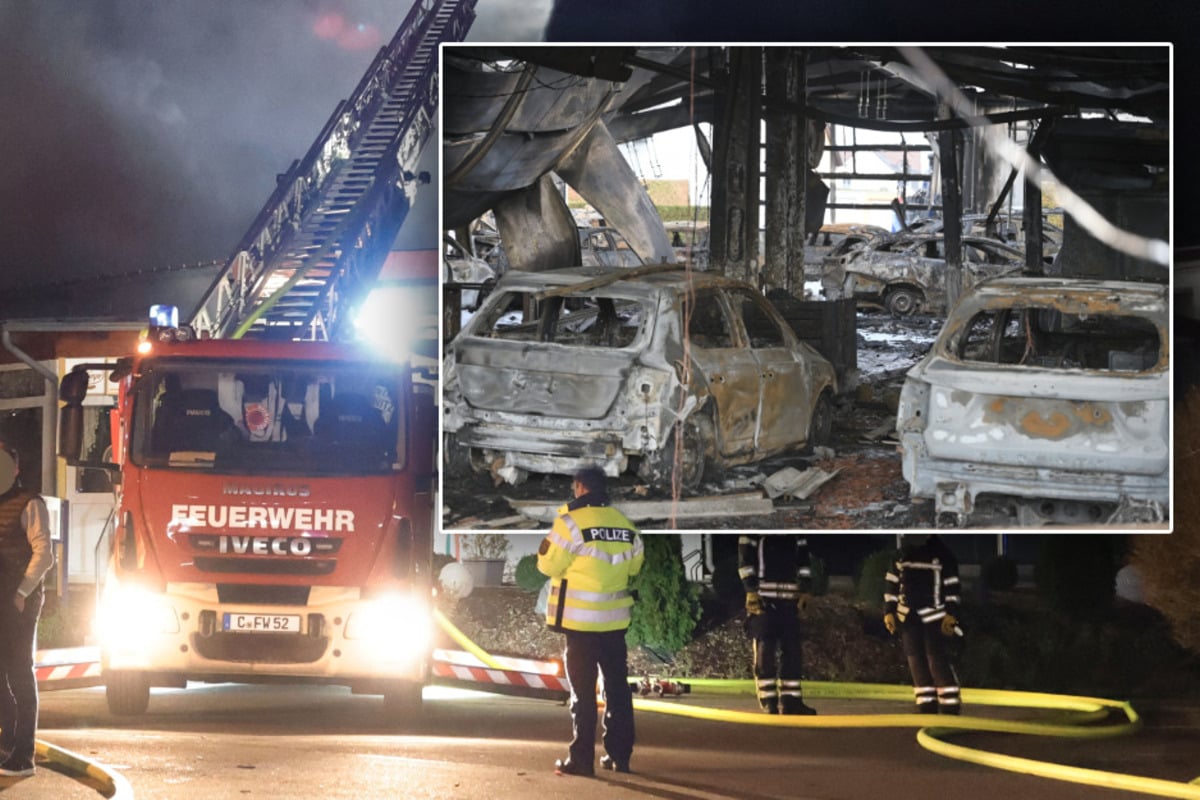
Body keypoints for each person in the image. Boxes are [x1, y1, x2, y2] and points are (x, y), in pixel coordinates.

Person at [537, 466, 644, 777]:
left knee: (583, 694)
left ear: (580, 487)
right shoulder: (624, 524)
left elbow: (547, 565)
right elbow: (635, 567)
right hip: (614, 624)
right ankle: (620, 757)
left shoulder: (569, 522)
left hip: (580, 625)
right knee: (617, 689)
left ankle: (581, 760)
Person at [0, 441, 54, 777]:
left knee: (19, 671)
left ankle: (24, 753)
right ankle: (7, 742)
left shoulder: (30, 503)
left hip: (19, 599)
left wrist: (21, 592)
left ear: (15, 469)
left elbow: (44, 553)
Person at [883, 533, 963, 715]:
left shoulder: (942, 555)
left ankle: (950, 705)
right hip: (908, 617)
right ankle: (926, 705)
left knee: (936, 659)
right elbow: (891, 585)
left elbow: (952, 586)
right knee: (915, 660)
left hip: (934, 617)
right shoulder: (900, 555)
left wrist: (951, 614)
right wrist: (889, 610)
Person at [738, 534, 817, 715]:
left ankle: (792, 702)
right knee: (765, 651)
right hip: (763, 602)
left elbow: (803, 562)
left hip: (790, 602)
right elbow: (745, 560)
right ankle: (768, 701)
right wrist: (751, 590)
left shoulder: (797, 533)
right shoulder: (754, 531)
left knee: (793, 652)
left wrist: (805, 590)